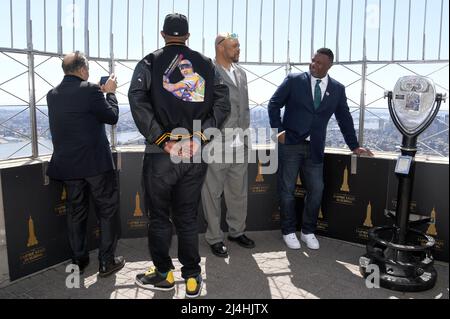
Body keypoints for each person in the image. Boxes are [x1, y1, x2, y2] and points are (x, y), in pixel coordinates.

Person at [128, 13, 230, 298]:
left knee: (160, 218)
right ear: (187, 36)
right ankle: (193, 277)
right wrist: (199, 137)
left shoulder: (149, 62)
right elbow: (223, 105)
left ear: (163, 34)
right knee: (186, 217)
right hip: (195, 153)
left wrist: (163, 140)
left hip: (161, 155)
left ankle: (164, 275)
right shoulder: (207, 65)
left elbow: (137, 100)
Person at [268, 48, 373, 250]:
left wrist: (355, 146)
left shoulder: (338, 89)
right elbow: (274, 104)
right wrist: (278, 132)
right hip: (289, 144)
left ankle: (308, 231)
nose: (314, 65)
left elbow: (344, 119)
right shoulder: (294, 80)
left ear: (329, 66)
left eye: (320, 63)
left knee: (317, 190)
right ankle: (288, 231)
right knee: (287, 190)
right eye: (313, 61)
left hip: (315, 147)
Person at [46, 51, 125, 277]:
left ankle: (79, 260)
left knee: (75, 212)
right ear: (82, 70)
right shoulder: (91, 90)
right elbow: (111, 117)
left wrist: (99, 93)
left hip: (69, 167)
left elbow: (78, 113)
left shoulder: (52, 94)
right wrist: (109, 93)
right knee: (107, 211)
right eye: (87, 70)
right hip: (96, 165)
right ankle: (106, 262)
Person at [201, 32, 254, 258]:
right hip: (216, 143)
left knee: (238, 192)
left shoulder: (241, 73)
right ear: (220, 47)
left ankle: (236, 231)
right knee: (212, 193)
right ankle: (214, 237)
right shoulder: (207, 73)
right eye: (235, 46)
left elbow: (244, 108)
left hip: (239, 143)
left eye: (239, 46)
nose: (238, 50)